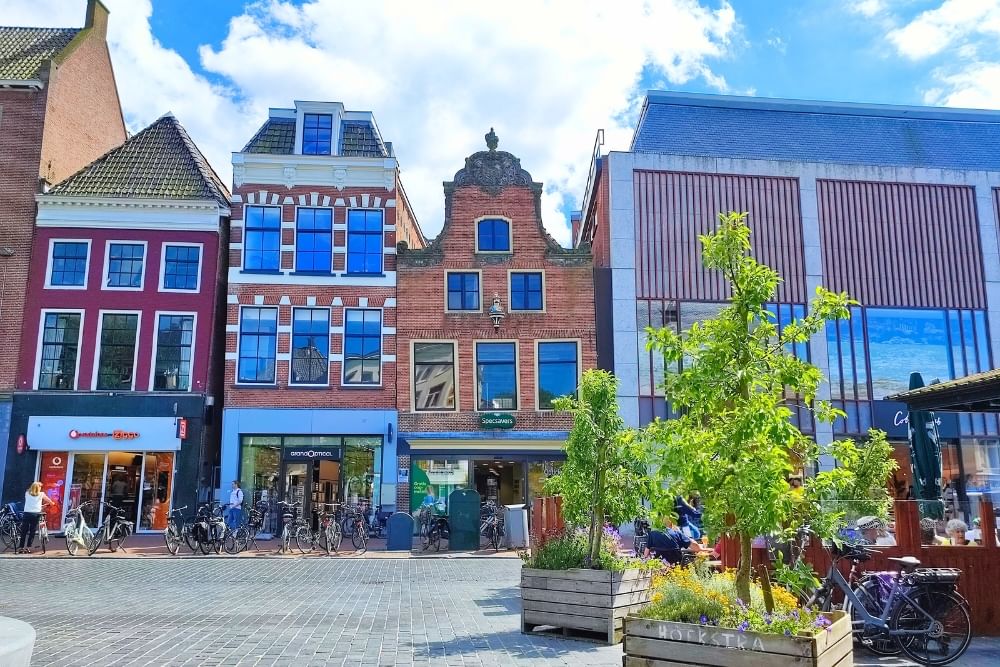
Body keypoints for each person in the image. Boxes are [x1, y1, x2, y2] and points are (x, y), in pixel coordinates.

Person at [643, 517, 711, 564]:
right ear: (671, 523)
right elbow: (696, 547)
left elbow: (646, 554)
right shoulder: (676, 533)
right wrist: (702, 548)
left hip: (660, 567)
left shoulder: (652, 534)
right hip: (676, 565)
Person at [18, 482, 55, 554]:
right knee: (32, 531)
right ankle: (28, 547)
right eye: (40, 487)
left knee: (24, 531)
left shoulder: (27, 493)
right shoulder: (41, 494)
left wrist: (40, 506)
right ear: (39, 488)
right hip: (35, 514)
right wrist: (52, 503)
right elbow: (50, 502)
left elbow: (31, 503)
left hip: (27, 514)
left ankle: (21, 547)